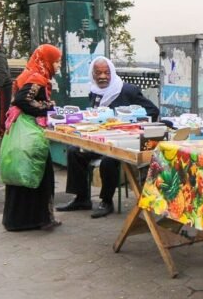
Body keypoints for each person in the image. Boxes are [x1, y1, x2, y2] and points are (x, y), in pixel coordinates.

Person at [57, 56, 160, 218]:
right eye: (98, 73)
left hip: (122, 143)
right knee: (74, 150)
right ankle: (82, 198)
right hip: (99, 139)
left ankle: (106, 201)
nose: (102, 76)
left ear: (112, 72)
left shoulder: (127, 90)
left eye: (106, 72)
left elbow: (153, 112)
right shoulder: (94, 92)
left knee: (108, 159)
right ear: (93, 74)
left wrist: (128, 120)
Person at [3, 44, 63, 232]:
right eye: (57, 61)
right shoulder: (37, 77)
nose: (59, 65)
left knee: (25, 172)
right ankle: (39, 219)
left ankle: (19, 220)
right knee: (40, 172)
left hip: (22, 130)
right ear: (47, 61)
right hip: (31, 132)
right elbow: (22, 100)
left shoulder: (30, 72)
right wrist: (47, 108)